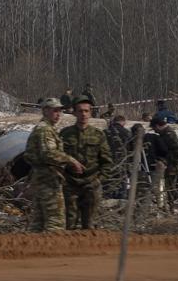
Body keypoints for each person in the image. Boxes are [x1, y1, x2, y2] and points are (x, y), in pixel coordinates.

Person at [24, 98, 85, 232]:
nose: (58, 114)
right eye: (55, 110)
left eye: (60, 111)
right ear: (45, 111)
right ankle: (53, 251)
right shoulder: (45, 130)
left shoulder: (46, 129)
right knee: (55, 222)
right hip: (48, 180)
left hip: (43, 179)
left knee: (38, 223)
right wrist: (71, 160)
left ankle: (32, 250)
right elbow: (49, 153)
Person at [59, 97, 113, 229]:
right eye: (80, 111)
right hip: (70, 185)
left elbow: (107, 162)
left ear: (90, 113)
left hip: (91, 185)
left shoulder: (98, 135)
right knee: (68, 224)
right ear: (75, 113)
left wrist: (99, 181)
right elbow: (58, 158)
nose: (83, 114)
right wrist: (62, 178)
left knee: (88, 225)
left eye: (86, 111)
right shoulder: (65, 134)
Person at [150, 115, 178, 212]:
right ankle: (169, 206)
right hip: (169, 165)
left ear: (158, 126)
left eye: (154, 128)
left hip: (171, 166)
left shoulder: (169, 134)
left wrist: (169, 162)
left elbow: (177, 150)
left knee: (170, 187)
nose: (154, 131)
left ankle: (171, 207)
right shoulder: (164, 134)